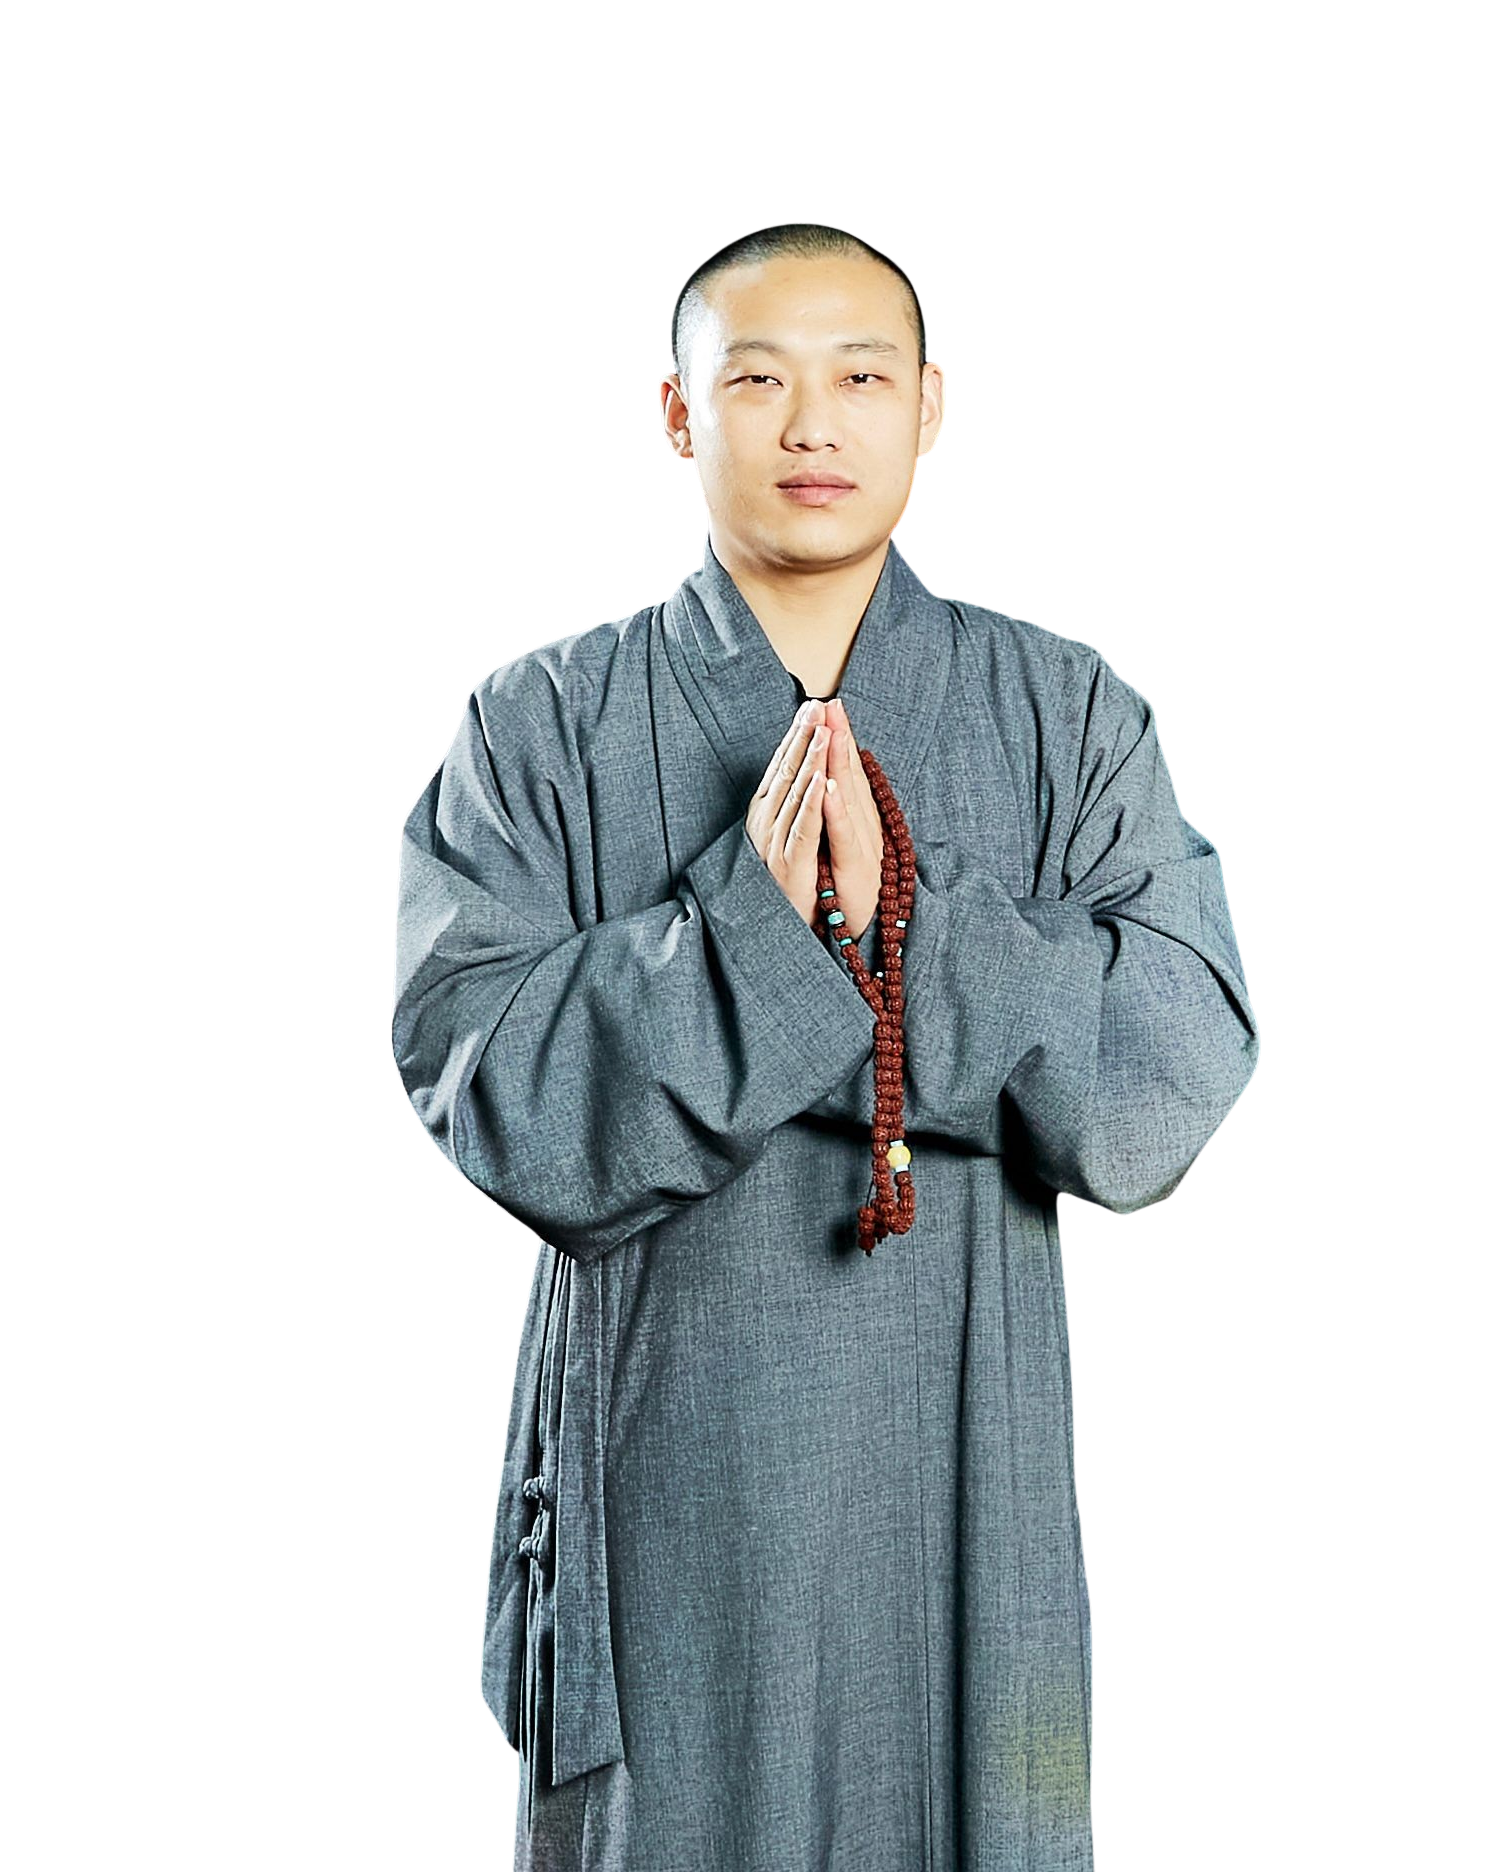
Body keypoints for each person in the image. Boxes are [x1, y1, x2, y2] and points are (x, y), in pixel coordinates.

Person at [389, 220, 1261, 1872]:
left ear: (927, 409)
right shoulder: (537, 724)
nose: (811, 425)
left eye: (859, 377)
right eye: (758, 380)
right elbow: (480, 1080)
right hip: (665, 1480)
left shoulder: (1067, 711)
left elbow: (1176, 1069)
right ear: (674, 415)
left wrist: (913, 939)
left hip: (964, 1485)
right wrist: (745, 932)